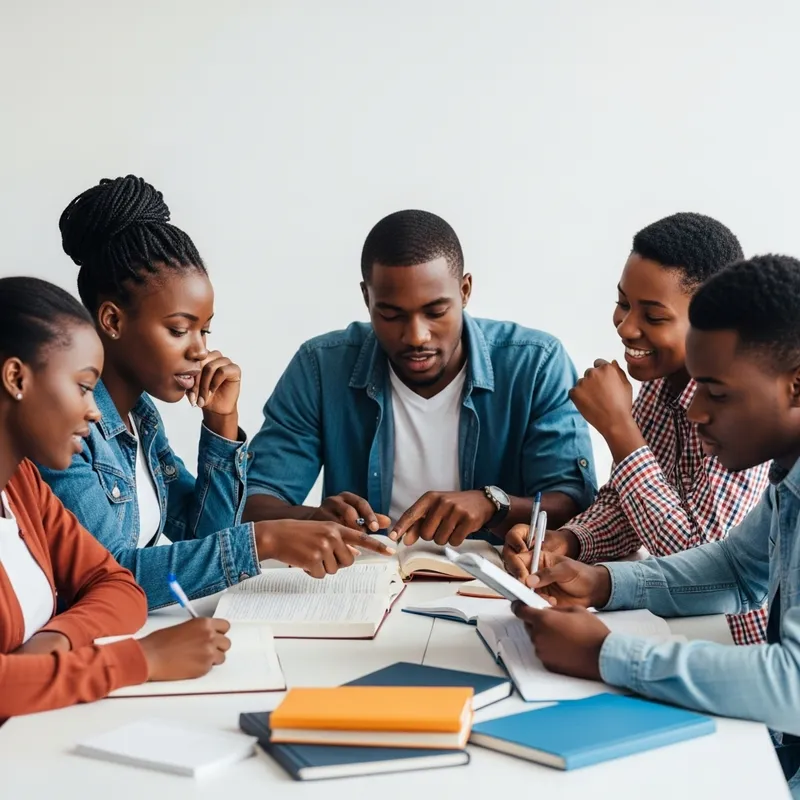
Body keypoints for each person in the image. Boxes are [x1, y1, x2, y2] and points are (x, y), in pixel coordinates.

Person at [512, 255, 800, 795]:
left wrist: (606, 655)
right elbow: (738, 569)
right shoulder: (790, 476)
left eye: (717, 394)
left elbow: (795, 685)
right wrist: (601, 581)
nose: (697, 412)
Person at [41, 175, 390, 610]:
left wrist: (221, 423)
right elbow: (110, 577)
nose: (200, 351)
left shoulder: (142, 418)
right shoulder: (63, 428)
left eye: (204, 330)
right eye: (178, 329)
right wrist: (265, 539)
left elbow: (202, 535)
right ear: (112, 321)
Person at [244, 209, 597, 545]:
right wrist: (312, 520)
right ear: (366, 297)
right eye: (391, 314)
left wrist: (493, 505)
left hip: (493, 591)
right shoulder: (320, 367)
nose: (416, 336)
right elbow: (250, 502)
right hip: (365, 584)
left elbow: (575, 507)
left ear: (465, 290)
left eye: (435, 311)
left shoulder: (535, 365)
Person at [504, 213, 770, 644]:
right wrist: (566, 542)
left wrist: (619, 429)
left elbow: (701, 562)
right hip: (683, 636)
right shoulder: (661, 384)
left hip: (738, 646)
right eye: (623, 302)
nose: (626, 326)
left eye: (654, 315)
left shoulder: (746, 411)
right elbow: (627, 508)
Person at [0, 276, 232, 718]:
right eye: (84, 386)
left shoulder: (21, 486)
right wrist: (143, 660)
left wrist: (55, 645)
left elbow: (118, 585)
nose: (93, 409)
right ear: (16, 377)